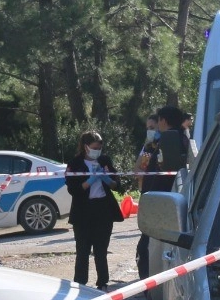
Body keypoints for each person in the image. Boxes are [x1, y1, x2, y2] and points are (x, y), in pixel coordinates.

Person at [65, 131, 125, 289]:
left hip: (103, 210)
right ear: (86, 147)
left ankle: (103, 282)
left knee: (101, 250)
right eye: (94, 147)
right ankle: (80, 283)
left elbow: (117, 185)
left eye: (100, 147)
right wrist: (90, 180)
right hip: (83, 212)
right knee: (82, 251)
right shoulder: (75, 163)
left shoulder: (105, 160)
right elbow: (73, 190)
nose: (97, 150)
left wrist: (106, 178)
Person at [134, 114, 162, 278]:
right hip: (147, 198)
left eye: (152, 128)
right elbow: (138, 171)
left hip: (160, 203)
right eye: (148, 129)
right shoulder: (148, 148)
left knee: (146, 249)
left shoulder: (165, 146)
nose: (149, 132)